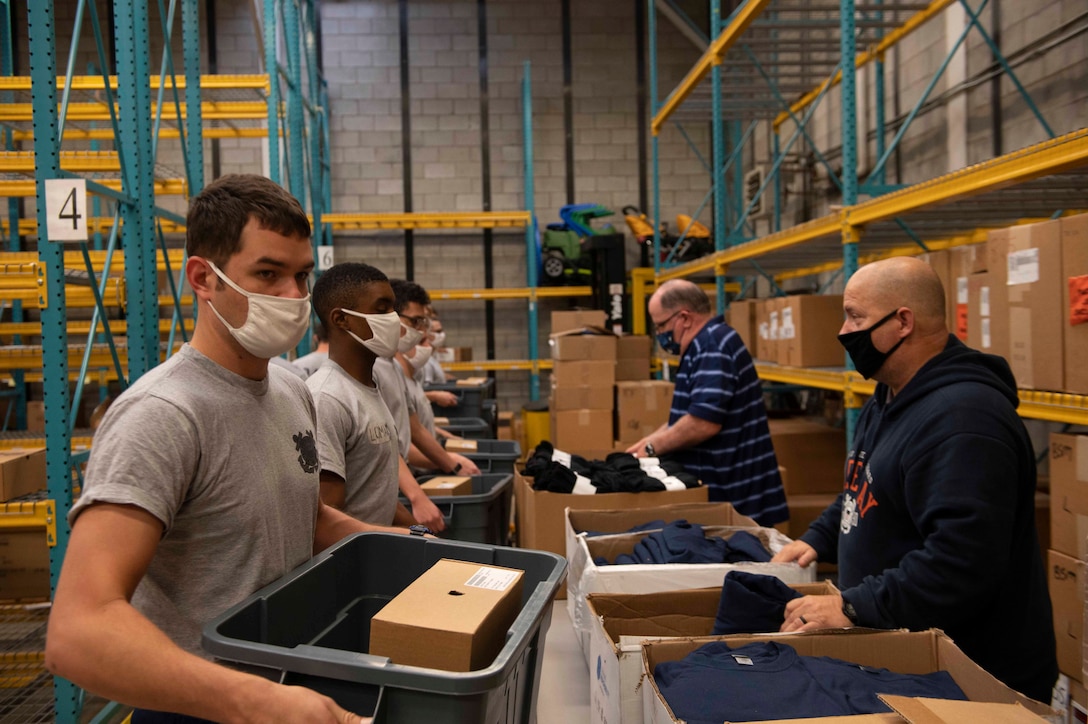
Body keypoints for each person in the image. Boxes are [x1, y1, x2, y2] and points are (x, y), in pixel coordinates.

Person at [45, 175, 400, 724]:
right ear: (202, 279)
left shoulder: (289, 390)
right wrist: (256, 701)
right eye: (267, 274)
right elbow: (78, 631)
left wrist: (414, 546)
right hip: (203, 705)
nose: (292, 296)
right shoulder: (163, 415)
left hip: (291, 681)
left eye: (301, 276)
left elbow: (306, 519)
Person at [772, 256, 1057, 703]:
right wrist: (822, 537)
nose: (845, 331)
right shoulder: (890, 394)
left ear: (902, 322)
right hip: (909, 661)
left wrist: (852, 606)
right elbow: (867, 482)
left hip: (972, 680)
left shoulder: (963, 419)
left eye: (855, 317)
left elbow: (961, 562)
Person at [626, 279, 787, 526]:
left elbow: (703, 423)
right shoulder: (707, 343)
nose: (660, 334)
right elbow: (688, 415)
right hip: (725, 486)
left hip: (732, 494)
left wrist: (651, 449)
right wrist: (648, 442)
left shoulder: (712, 346)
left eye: (660, 325)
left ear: (685, 318)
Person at [307, 262, 440, 529]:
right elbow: (326, 522)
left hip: (379, 554)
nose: (393, 320)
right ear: (341, 319)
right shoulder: (328, 398)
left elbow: (377, 494)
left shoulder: (368, 387)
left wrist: (420, 535)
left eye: (392, 310)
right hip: (357, 565)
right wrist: (401, 539)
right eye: (381, 310)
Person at [373, 280, 480, 480]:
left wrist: (451, 463)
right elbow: (388, 449)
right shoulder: (374, 370)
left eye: (423, 323)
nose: (421, 331)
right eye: (415, 322)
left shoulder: (393, 368)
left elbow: (415, 430)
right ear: (389, 316)